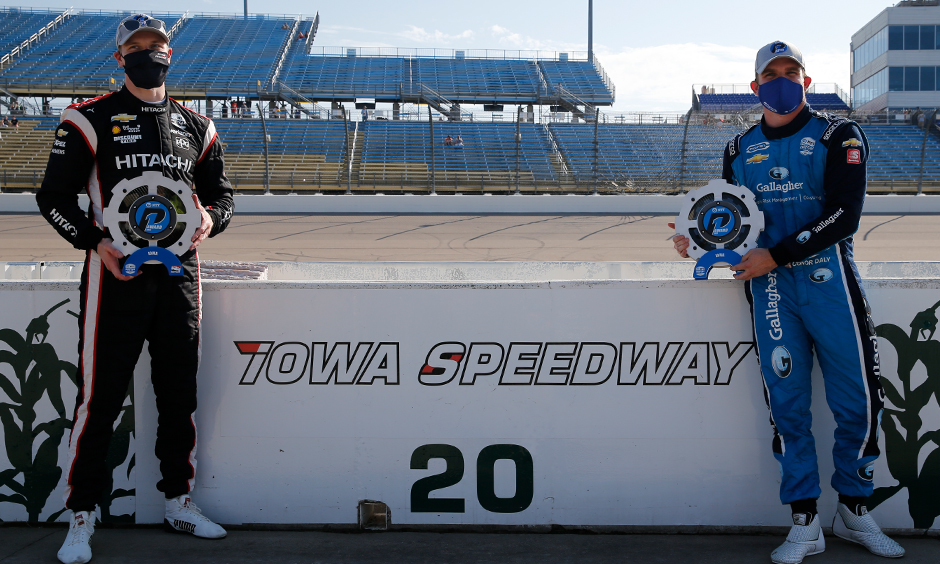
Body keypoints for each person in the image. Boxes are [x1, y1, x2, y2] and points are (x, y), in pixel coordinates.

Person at [670, 41, 904, 564]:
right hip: (770, 291)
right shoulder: (738, 148)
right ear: (755, 87)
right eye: (771, 73)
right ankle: (804, 520)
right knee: (788, 407)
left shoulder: (838, 134)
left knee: (858, 403)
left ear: (806, 79)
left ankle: (855, 510)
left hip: (830, 286)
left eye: (791, 71)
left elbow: (845, 215)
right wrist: (700, 238)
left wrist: (775, 254)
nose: (782, 79)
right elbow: (731, 218)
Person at [35, 13, 234, 564]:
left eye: (158, 44)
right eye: (138, 46)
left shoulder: (198, 125)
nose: (150, 52)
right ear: (119, 57)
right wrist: (96, 241)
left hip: (179, 280)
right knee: (98, 401)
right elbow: (53, 197)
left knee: (179, 395)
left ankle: (178, 500)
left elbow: (223, 197)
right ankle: (82, 514)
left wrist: (210, 221)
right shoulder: (88, 117)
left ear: (171, 53)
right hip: (113, 279)